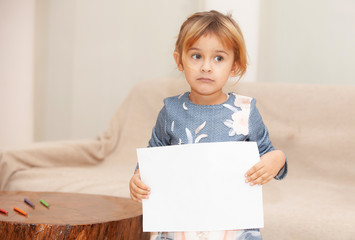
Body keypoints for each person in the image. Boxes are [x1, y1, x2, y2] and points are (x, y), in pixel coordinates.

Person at [129, 10, 287, 240]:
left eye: (218, 58)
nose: (206, 67)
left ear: (235, 66)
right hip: (180, 221)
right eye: (196, 56)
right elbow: (154, 154)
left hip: (233, 224)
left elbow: (266, 155)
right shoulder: (170, 110)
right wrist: (138, 177)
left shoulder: (245, 111)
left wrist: (277, 159)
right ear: (179, 60)